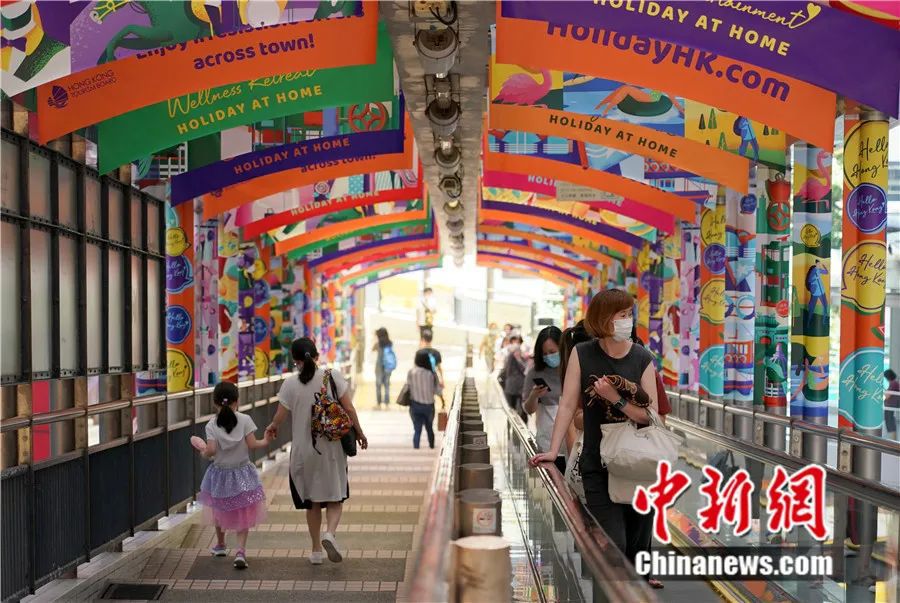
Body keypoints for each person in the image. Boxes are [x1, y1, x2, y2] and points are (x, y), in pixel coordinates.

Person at [530, 289, 659, 580]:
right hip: (596, 465)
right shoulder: (583, 353)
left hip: (635, 464)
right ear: (604, 318)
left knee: (635, 544)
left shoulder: (641, 357)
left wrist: (616, 399)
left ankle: (630, 591)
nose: (628, 320)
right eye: (622, 314)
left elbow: (649, 416)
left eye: (629, 314)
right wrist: (553, 451)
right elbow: (567, 404)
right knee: (613, 545)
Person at [265, 338, 368, 565]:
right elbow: (349, 408)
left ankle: (315, 551)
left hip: (304, 451)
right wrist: (359, 432)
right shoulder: (332, 376)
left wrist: (272, 427)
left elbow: (280, 417)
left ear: (295, 360)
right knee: (335, 496)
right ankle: (329, 534)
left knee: (311, 502)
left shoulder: (290, 384)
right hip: (332, 449)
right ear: (317, 356)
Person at [198, 382, 271, 570]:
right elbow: (253, 445)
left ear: (215, 403)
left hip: (220, 474)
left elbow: (211, 450)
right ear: (237, 401)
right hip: (242, 472)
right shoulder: (245, 420)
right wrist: (266, 440)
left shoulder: (211, 424)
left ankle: (220, 545)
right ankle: (240, 551)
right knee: (242, 511)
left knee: (218, 507)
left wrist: (203, 452)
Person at [522, 326, 565, 472]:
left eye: (552, 352)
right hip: (546, 441)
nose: (548, 357)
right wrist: (534, 396)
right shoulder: (535, 373)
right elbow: (528, 409)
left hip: (571, 442)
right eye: (544, 354)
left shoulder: (572, 370)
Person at [407, 349, 443, 449]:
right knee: (429, 428)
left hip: (415, 405)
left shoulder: (411, 372)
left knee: (417, 429)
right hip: (429, 406)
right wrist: (443, 401)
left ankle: (416, 448)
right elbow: (438, 391)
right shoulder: (432, 373)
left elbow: (407, 387)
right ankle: (431, 446)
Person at [501, 334, 528, 422]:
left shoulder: (522, 356)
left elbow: (525, 370)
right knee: (512, 409)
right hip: (512, 386)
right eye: (513, 342)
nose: (515, 344)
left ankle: (521, 425)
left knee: (520, 409)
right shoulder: (510, 356)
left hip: (519, 387)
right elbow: (506, 370)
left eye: (518, 342)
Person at [372, 328, 396, 409]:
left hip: (379, 367)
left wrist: (375, 339)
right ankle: (387, 404)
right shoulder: (390, 343)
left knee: (378, 385)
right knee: (387, 385)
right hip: (388, 366)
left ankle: (379, 404)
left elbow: (372, 349)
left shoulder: (378, 344)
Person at [885, 369, 899, 440]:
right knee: (890, 421)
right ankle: (893, 439)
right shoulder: (894, 383)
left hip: (891, 405)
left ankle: (892, 439)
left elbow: (888, 395)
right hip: (891, 405)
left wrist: (886, 392)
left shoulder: (893, 383)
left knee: (889, 421)